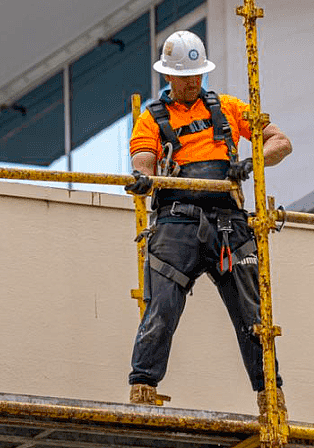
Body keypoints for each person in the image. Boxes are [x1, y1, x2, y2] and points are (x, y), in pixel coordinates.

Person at [124, 30, 292, 416]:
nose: (193, 82)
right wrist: (144, 179)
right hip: (176, 222)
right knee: (161, 309)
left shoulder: (229, 108)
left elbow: (280, 141)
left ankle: (271, 398)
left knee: (253, 317)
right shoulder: (152, 119)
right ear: (169, 76)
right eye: (185, 77)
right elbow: (143, 164)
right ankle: (143, 390)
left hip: (229, 225)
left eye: (197, 75)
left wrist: (254, 161)